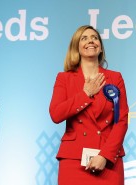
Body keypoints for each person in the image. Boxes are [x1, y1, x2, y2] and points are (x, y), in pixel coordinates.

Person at [49, 25, 129, 185]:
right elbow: (56, 114)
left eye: (94, 37)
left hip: (109, 161)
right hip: (73, 161)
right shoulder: (64, 78)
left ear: (100, 47)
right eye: (84, 38)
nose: (90, 41)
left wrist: (105, 155)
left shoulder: (115, 78)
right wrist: (85, 94)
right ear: (76, 48)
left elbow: (121, 120)